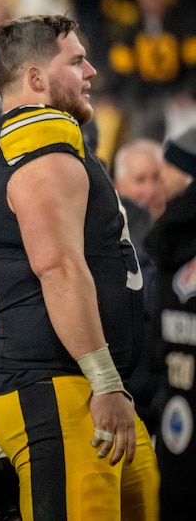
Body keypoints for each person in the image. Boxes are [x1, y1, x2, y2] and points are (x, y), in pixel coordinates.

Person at [0, 14, 159, 520]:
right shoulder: (42, 136)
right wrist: (105, 381)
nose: (90, 72)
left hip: (54, 380)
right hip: (65, 387)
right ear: (36, 79)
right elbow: (58, 269)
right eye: (77, 60)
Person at [147, 124, 196, 521]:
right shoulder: (170, 244)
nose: (160, 178)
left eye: (168, 168)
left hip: (176, 439)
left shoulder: (169, 244)